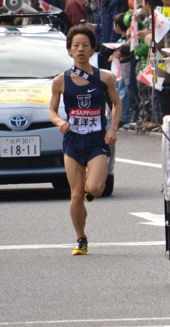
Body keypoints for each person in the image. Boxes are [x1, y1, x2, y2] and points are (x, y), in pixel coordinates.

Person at [48, 26, 122, 256]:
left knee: (97, 188)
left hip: (96, 141)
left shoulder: (104, 77)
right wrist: (60, 122)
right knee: (76, 194)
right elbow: (51, 111)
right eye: (76, 46)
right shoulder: (60, 81)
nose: (80, 49)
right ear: (69, 51)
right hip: (72, 142)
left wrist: (113, 129)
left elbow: (117, 104)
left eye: (85, 45)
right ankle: (81, 239)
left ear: (92, 50)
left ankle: (92, 183)